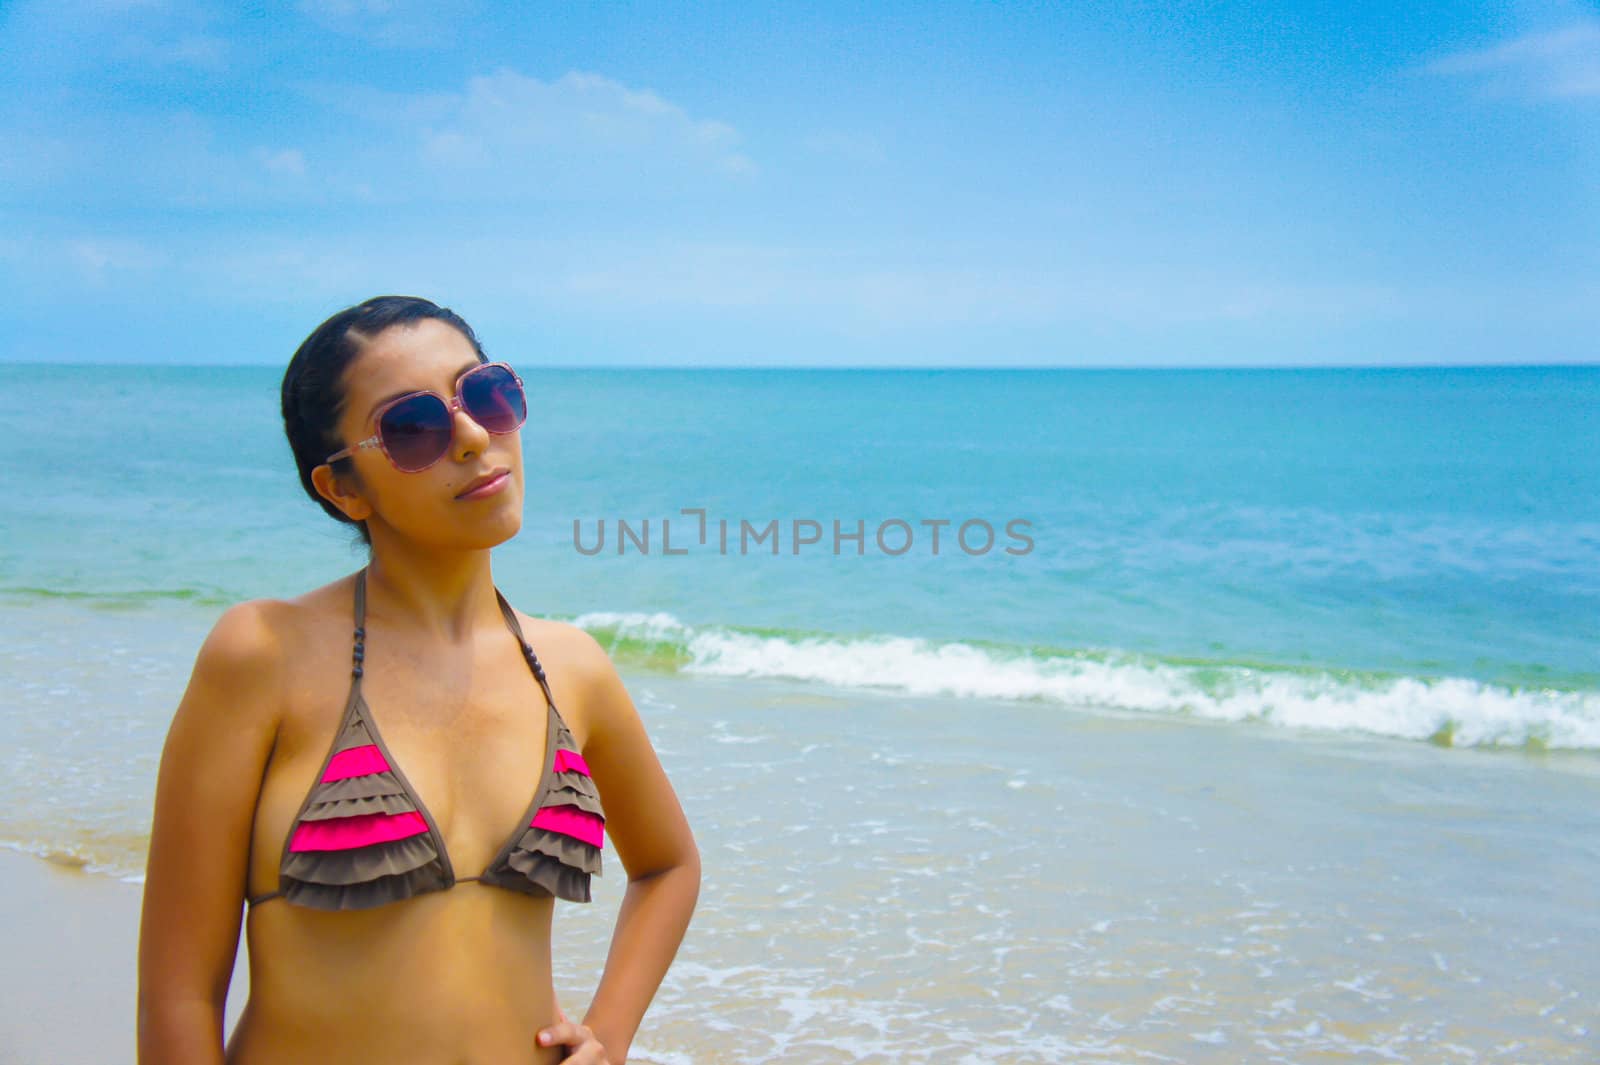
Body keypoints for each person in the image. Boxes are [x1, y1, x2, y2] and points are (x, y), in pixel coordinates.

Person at [137, 296, 700, 1064]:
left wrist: (609, 1031)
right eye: (413, 428)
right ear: (344, 488)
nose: (472, 436)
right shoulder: (263, 654)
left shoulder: (571, 668)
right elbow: (179, 995)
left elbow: (669, 865)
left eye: (487, 395)